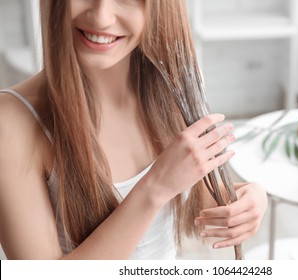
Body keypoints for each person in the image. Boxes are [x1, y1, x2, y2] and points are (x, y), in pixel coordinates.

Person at [0, 0, 267, 260]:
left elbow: (184, 197)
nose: (101, 16)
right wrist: (154, 187)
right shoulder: (11, 122)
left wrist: (243, 199)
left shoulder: (169, 88)